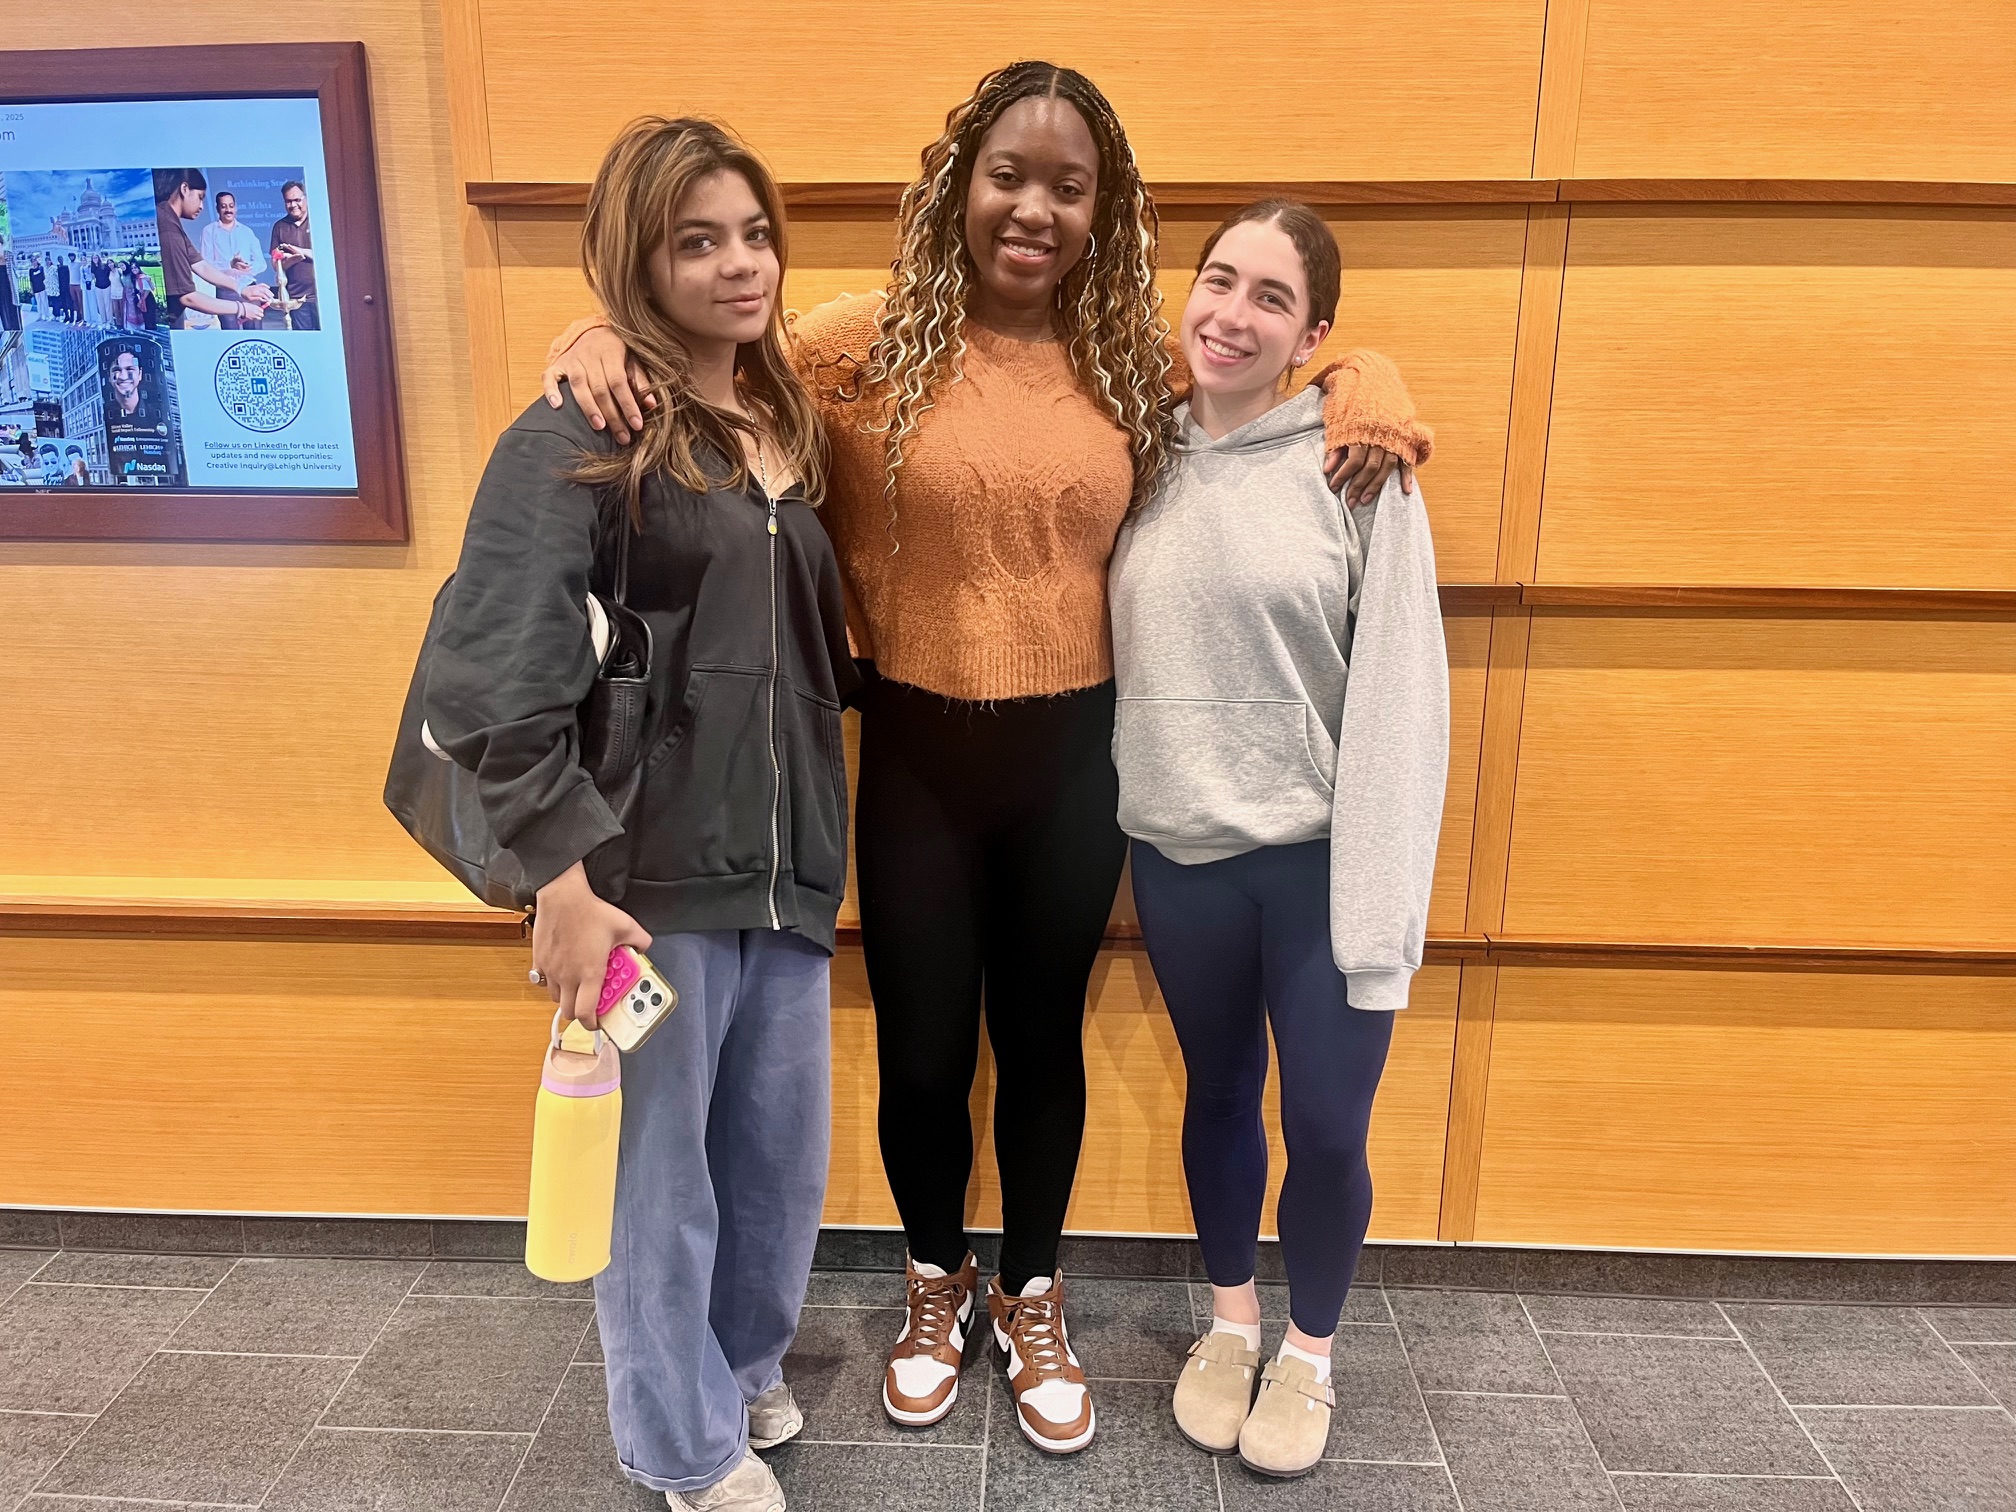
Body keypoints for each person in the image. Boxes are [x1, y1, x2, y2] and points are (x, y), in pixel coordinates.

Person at [542, 61, 1431, 1456]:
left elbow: (1272, 377)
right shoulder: (861, 347)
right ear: (959, 184)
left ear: (1101, 211)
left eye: (1068, 188)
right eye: (1008, 176)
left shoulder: (1135, 362)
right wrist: (592, 335)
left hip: (1075, 762)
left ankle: (1032, 1295)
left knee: (1039, 1046)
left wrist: (1368, 375)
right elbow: (711, 353)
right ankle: (932, 1285)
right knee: (922, 1053)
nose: (1034, 209)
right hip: (913, 755)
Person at [424, 116, 851, 1512]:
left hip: (785, 871)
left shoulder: (790, 425)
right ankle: (680, 1443)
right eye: (696, 241)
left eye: (755, 233)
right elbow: (495, 666)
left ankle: (739, 1366)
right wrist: (558, 879)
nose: (742, 265)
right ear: (637, 262)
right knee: (656, 1184)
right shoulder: (584, 427)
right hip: (641, 883)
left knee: (772, 1169)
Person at [1108, 201, 1448, 1478]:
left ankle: (1309, 1353)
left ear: (1313, 335)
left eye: (1269, 296)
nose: (1230, 314)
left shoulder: (1360, 466)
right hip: (1178, 853)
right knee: (1218, 1095)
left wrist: (1385, 903)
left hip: (1317, 866)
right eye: (1217, 280)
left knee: (1330, 1126)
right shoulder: (1132, 452)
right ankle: (1232, 1323)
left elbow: (1403, 691)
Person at [152, 169, 272, 330]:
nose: (201, 206)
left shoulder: (171, 222)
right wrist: (242, 308)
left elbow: (200, 265)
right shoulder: (169, 230)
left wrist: (242, 288)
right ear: (184, 189)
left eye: (231, 206)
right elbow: (187, 297)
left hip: (244, 283)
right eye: (200, 197)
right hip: (171, 323)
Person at [201, 191, 265, 330]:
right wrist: (230, 265)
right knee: (230, 334)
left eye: (231, 206)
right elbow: (206, 264)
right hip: (225, 290)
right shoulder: (209, 231)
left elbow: (262, 263)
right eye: (224, 206)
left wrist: (248, 267)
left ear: (236, 207)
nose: (228, 210)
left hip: (249, 287)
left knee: (255, 334)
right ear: (217, 208)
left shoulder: (247, 232)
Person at [269, 180, 318, 329]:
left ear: (306, 198)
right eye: (288, 201)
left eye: (297, 200)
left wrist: (301, 252)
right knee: (305, 340)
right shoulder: (280, 227)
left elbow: (329, 255)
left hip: (322, 296)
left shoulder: (319, 222)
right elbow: (275, 264)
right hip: (296, 299)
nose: (293, 205)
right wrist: (291, 260)